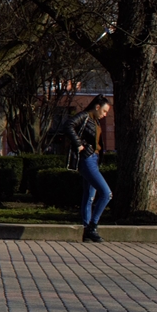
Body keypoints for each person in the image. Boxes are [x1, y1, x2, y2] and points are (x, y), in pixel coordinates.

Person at [65, 94, 112, 242]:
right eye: (104, 111)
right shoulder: (85, 116)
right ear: (97, 107)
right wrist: (79, 144)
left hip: (94, 159)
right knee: (106, 193)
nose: (105, 115)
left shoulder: (95, 120)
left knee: (89, 197)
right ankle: (92, 226)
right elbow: (68, 125)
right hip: (87, 160)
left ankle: (87, 231)